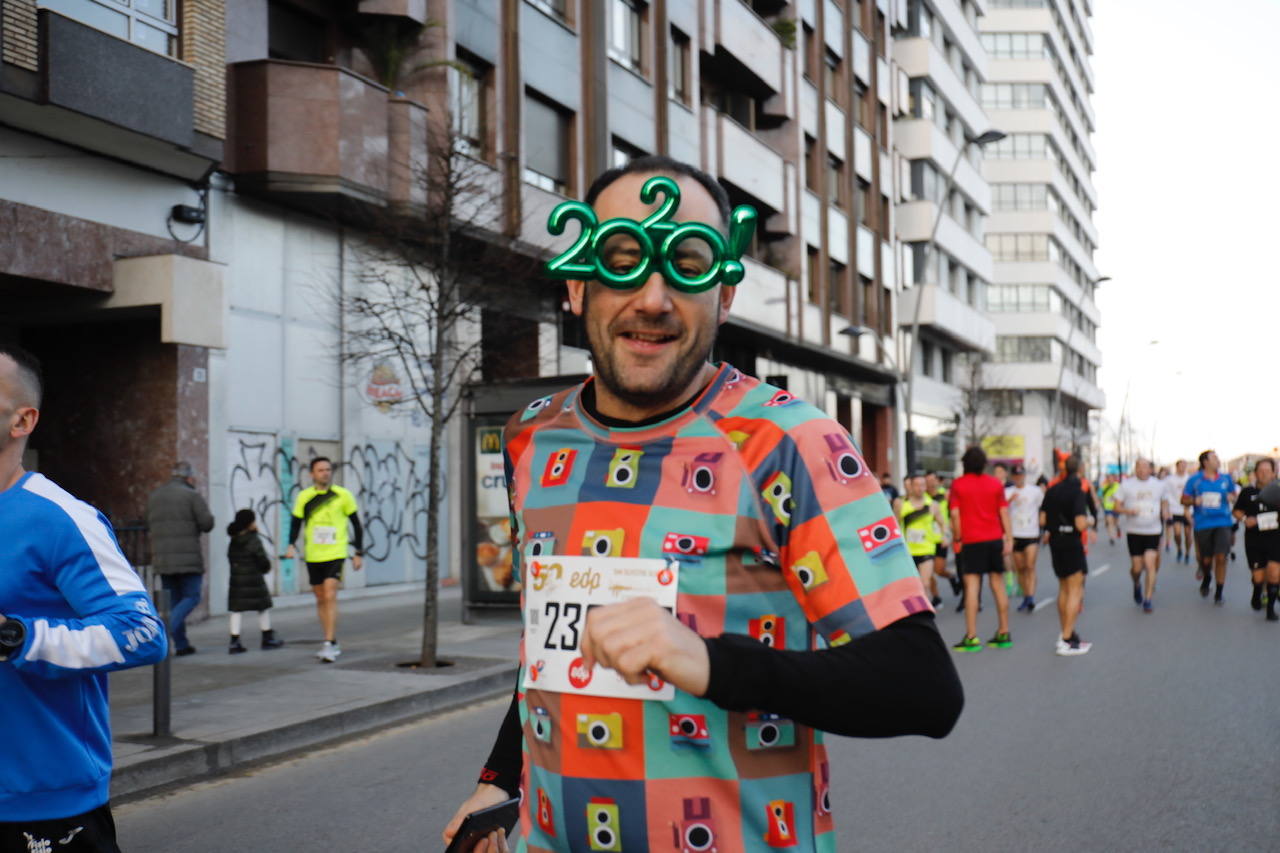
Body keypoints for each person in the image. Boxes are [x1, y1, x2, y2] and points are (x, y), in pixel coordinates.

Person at [442, 156, 963, 853]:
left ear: (723, 295)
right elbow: (555, 644)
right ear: (575, 284)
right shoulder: (533, 437)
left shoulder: (788, 441)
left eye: (686, 264)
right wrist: (498, 776)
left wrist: (712, 662)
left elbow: (924, 683)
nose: (653, 298)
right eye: (621, 259)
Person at [0, 344, 167, 850]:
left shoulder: (61, 518)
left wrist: (15, 636)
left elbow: (142, 633)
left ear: (22, 420)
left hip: (41, 808)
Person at [283, 457, 364, 663]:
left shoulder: (343, 495)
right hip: (314, 554)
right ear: (312, 474)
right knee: (320, 597)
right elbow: (295, 523)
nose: (325, 473)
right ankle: (331, 639)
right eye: (320, 470)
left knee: (330, 593)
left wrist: (358, 552)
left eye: (328, 469)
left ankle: (329, 642)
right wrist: (291, 544)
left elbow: (356, 524)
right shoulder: (304, 497)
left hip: (336, 553)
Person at [146, 460, 215, 656]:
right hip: (188, 558)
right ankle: (163, 629)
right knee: (192, 596)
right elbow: (207, 523)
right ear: (188, 477)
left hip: (162, 558)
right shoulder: (192, 495)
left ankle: (182, 645)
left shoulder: (155, 496)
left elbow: (147, 521)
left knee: (173, 601)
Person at [948, 446, 1013, 652]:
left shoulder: (958, 485)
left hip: (972, 541)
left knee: (972, 587)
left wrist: (957, 537)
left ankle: (972, 636)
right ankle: (1003, 632)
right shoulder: (995, 484)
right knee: (998, 584)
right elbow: (1004, 513)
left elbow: (955, 515)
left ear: (964, 464)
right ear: (984, 464)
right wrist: (1008, 539)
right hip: (994, 539)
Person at [1040, 454, 1093, 655]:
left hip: (1055, 541)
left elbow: (1042, 519)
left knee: (1063, 588)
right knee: (1075, 589)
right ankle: (1066, 639)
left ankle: (1066, 633)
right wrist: (1090, 522)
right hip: (1071, 541)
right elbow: (1080, 523)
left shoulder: (1052, 489)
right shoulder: (1077, 491)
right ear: (1079, 469)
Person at [1183, 450, 1239, 604]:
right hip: (1203, 523)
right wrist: (1195, 501)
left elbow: (1235, 496)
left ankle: (1219, 592)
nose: (1218, 460)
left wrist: (1231, 497)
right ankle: (1207, 577)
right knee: (1205, 560)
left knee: (1221, 557)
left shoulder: (1226, 479)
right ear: (1205, 462)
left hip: (1223, 522)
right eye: (1215, 458)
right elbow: (1184, 500)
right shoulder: (1194, 480)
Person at [226, 509, 284, 653]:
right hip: (254, 578)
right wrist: (265, 568)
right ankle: (267, 637)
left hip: (237, 579)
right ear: (249, 523)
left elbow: (230, 557)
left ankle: (234, 641)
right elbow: (262, 559)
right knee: (262, 607)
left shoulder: (233, 540)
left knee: (236, 610)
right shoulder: (253, 539)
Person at [1113, 458, 1167, 613]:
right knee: (1136, 567)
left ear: (1150, 469)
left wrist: (1165, 512)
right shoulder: (1126, 485)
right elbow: (1116, 506)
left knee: (1150, 564)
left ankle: (1148, 599)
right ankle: (1136, 583)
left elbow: (1164, 502)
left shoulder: (1159, 485)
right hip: (1134, 531)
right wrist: (1128, 511)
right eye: (1139, 467)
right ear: (1135, 469)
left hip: (1153, 530)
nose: (1142, 470)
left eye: (1145, 467)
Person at [1232, 458, 1280, 620]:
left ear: (1274, 473)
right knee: (1258, 577)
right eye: (1260, 471)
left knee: (1274, 572)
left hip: (1275, 538)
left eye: (1267, 471)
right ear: (1255, 473)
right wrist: (1246, 520)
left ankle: (1271, 609)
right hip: (1254, 540)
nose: (1264, 474)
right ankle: (1257, 591)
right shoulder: (1247, 492)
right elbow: (1236, 512)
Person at [899, 474, 947, 605]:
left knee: (924, 583)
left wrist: (945, 536)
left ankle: (925, 612)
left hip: (927, 548)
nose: (920, 488)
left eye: (922, 485)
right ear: (911, 487)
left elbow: (942, 523)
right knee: (912, 586)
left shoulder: (933, 505)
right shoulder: (902, 505)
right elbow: (895, 526)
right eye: (917, 485)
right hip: (909, 551)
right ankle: (918, 609)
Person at [1006, 464, 1042, 612]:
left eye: (1021, 475)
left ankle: (1031, 597)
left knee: (1030, 566)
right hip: (1015, 535)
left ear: (1025, 476)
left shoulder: (1035, 491)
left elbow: (1043, 508)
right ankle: (1026, 596)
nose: (1018, 478)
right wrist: (1009, 501)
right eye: (1016, 476)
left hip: (1031, 534)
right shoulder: (1007, 492)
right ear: (1012, 477)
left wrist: (1044, 528)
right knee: (1020, 569)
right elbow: (1000, 510)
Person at [925, 470, 960, 601]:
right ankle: (936, 597)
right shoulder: (923, 498)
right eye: (927, 481)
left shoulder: (945, 495)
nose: (930, 484)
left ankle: (952, 577)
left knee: (939, 570)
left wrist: (950, 533)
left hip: (942, 538)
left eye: (932, 480)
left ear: (937, 481)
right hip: (927, 540)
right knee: (927, 572)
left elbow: (953, 514)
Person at [1164, 459, 1192, 563]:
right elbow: (1166, 495)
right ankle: (1179, 548)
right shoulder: (1170, 480)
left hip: (1189, 510)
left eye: (1185, 465)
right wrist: (1166, 510)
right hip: (1175, 509)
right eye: (1181, 465)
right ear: (1177, 467)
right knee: (1177, 533)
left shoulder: (1190, 479)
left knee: (1188, 534)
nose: (1183, 467)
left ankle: (1187, 553)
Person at [1099, 474, 1121, 545]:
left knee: (1115, 522)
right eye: (1108, 478)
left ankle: (1117, 527)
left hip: (1116, 507)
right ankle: (1111, 537)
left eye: (1111, 478)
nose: (1109, 479)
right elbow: (1099, 495)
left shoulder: (1117, 485)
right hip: (1107, 508)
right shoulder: (1104, 487)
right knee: (1109, 522)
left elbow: (1122, 495)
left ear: (1113, 479)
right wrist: (1100, 500)